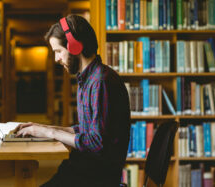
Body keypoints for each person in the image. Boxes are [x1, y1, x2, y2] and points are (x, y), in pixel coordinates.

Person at [14, 15, 131, 186]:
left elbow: (97, 144)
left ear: (75, 47)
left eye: (58, 51)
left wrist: (50, 133)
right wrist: (42, 128)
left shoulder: (100, 81)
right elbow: (86, 130)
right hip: (82, 169)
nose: (56, 59)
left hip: (95, 177)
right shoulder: (88, 79)